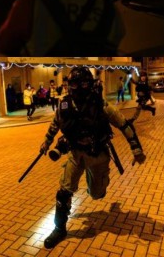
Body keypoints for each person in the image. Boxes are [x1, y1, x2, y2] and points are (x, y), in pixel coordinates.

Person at [39, 67, 146, 249]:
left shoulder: (100, 105)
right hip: (75, 154)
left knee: (96, 194)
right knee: (63, 190)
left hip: (97, 156)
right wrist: (46, 142)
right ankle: (60, 228)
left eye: (84, 83)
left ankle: (99, 183)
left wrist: (137, 150)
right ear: (69, 85)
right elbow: (55, 123)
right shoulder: (64, 104)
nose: (78, 87)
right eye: (74, 83)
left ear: (90, 84)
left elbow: (124, 124)